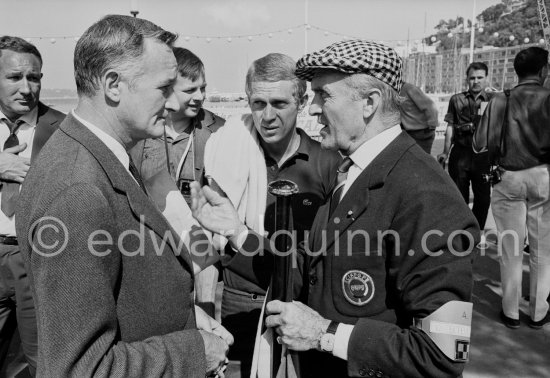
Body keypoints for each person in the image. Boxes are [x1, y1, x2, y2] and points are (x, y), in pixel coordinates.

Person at [191, 40, 479, 378]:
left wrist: (324, 334)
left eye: (323, 95)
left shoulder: (427, 193)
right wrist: (236, 231)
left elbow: (441, 356)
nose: (312, 109)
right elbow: (303, 269)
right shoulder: (353, 175)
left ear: (369, 103)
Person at [15, 15, 231, 377]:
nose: (174, 103)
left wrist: (188, 320)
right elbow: (79, 369)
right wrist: (194, 350)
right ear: (113, 85)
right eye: (164, 88)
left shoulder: (101, 157)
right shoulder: (77, 192)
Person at [209, 53, 340, 377]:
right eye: (258, 103)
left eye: (279, 104)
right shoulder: (229, 154)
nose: (266, 116)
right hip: (238, 302)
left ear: (302, 100)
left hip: (300, 307)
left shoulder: (326, 164)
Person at [130, 47, 225, 319]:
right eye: (190, 90)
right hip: (150, 247)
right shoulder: (140, 132)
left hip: (202, 245)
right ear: (168, 89)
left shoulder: (220, 132)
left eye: (203, 88)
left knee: (203, 321)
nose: (201, 97)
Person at [0, 35, 65, 375]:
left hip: (40, 260)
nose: (27, 87)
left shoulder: (65, 129)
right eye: (14, 77)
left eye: (35, 77)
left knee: (46, 362)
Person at [474, 46, 550, 330]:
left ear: (517, 71)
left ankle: (511, 311)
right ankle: (539, 312)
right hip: (543, 175)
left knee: (511, 246)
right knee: (543, 247)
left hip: (507, 176)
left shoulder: (500, 99)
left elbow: (480, 144)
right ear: (544, 71)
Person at [437, 62, 492, 240]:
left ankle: (477, 232)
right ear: (467, 79)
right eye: (472, 78)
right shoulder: (456, 99)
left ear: (486, 78)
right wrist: (445, 152)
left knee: (483, 198)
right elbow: (450, 127)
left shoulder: (494, 100)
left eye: (479, 77)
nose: (475, 81)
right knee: (459, 196)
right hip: (460, 154)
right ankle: (461, 234)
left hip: (483, 156)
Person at [399, 81, 439, 154]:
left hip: (421, 132)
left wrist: (432, 126)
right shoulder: (395, 91)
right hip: (407, 133)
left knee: (421, 161)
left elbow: (430, 105)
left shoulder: (408, 88)